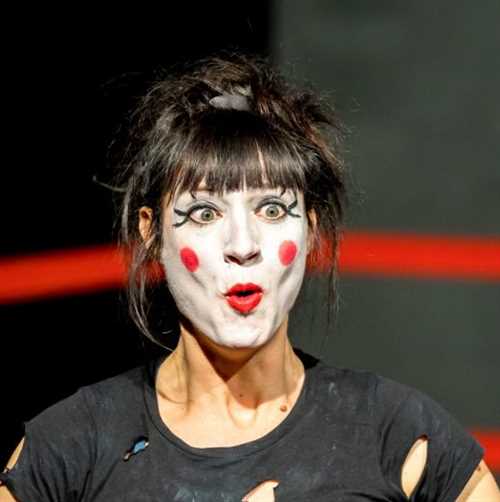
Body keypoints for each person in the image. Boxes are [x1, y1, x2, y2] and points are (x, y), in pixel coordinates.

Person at [1, 53, 498, 502]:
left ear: (311, 227)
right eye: (204, 214)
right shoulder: (70, 452)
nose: (243, 245)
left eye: (272, 209)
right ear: (151, 233)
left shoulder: (401, 439)